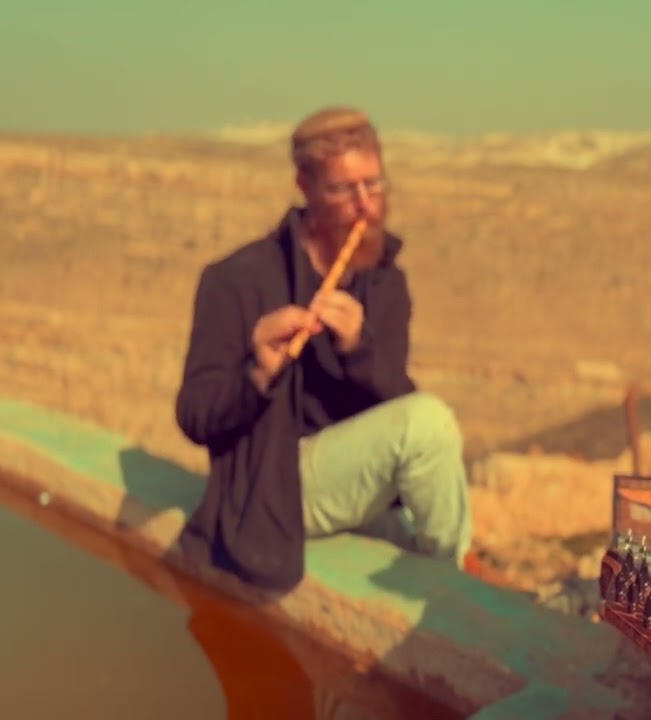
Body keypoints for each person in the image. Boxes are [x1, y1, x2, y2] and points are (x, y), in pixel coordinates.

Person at [173, 106, 472, 594]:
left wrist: (359, 349)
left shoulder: (385, 282)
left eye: (374, 184)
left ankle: (447, 587)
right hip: (268, 486)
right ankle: (451, 599)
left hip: (345, 482)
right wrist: (257, 373)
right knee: (429, 424)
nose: (365, 205)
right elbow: (194, 415)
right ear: (305, 186)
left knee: (426, 503)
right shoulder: (237, 278)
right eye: (343, 190)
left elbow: (393, 400)